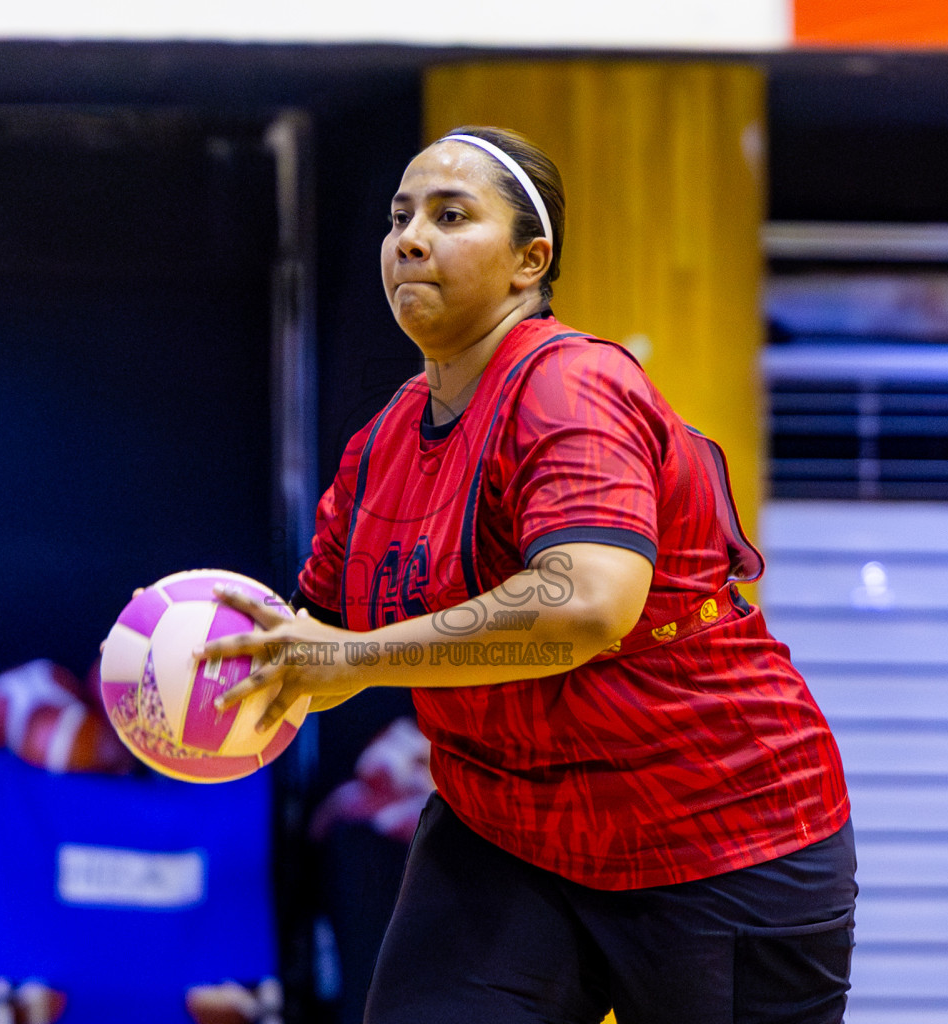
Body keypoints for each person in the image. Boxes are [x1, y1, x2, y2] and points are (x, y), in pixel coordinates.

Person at [201, 126, 855, 1024]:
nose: (411, 239)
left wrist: (355, 661)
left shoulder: (570, 387)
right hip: (508, 831)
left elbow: (586, 604)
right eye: (400, 218)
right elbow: (312, 646)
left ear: (528, 261)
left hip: (717, 832)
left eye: (450, 214)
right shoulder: (380, 445)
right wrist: (204, 676)